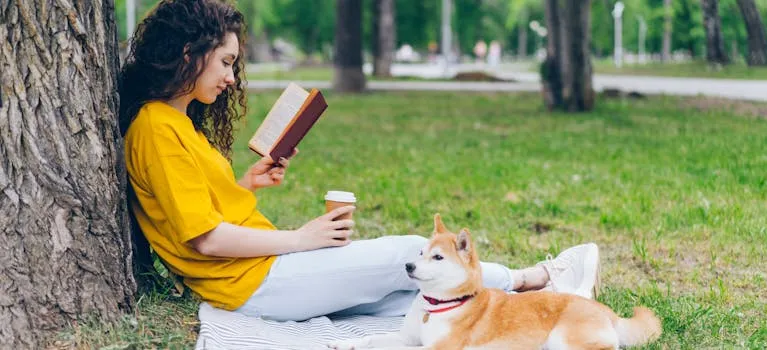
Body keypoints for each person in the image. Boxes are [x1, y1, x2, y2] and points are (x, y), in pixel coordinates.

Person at [119, 0, 601, 322]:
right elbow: (204, 239)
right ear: (188, 53)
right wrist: (302, 239)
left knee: (408, 299)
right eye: (225, 62)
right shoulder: (156, 127)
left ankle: (544, 305)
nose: (230, 77)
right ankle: (535, 278)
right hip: (248, 283)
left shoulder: (179, 123)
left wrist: (247, 184)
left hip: (258, 272)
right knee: (408, 257)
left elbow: (202, 211)